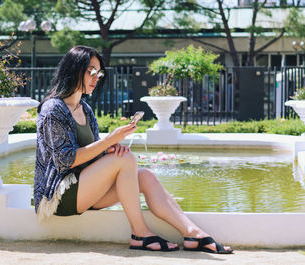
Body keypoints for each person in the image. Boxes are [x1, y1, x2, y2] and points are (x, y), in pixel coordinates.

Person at [34, 45, 233, 254]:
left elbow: (91, 155)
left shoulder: (85, 109)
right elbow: (65, 160)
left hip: (85, 190)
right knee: (125, 159)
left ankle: (193, 233)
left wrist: (109, 149)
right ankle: (140, 233)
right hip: (59, 196)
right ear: (75, 69)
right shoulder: (52, 109)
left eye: (99, 72)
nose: (96, 77)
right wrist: (110, 139)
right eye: (91, 71)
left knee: (145, 176)